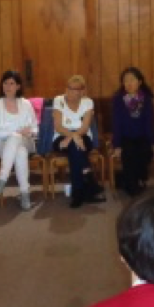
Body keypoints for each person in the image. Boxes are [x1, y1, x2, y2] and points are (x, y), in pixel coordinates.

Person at [52, 75, 105, 208]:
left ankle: (79, 192)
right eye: (68, 88)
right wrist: (72, 136)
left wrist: (74, 136)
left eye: (75, 89)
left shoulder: (88, 102)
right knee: (76, 148)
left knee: (75, 149)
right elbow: (58, 127)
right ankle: (88, 181)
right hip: (61, 136)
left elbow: (85, 127)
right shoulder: (58, 100)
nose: (70, 91)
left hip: (83, 136)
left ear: (82, 91)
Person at [0, 70, 38, 211]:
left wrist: (28, 132)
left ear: (18, 86)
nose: (8, 86)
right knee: (20, 152)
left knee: (18, 141)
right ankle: (25, 194)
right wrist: (16, 132)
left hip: (27, 141)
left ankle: (2, 179)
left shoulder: (26, 104)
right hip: (0, 144)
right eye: (5, 83)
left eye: (11, 83)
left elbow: (35, 128)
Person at [110, 67, 154, 197]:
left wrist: (153, 143)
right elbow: (116, 123)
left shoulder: (146, 99)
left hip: (143, 136)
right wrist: (117, 145)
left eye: (132, 80)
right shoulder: (118, 99)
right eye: (125, 81)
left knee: (145, 152)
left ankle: (136, 178)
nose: (129, 83)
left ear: (140, 82)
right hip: (125, 137)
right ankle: (131, 185)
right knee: (129, 153)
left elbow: (149, 122)